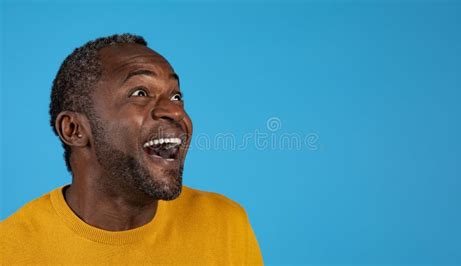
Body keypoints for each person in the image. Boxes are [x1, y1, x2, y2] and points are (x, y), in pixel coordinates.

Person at [0, 34, 264, 265]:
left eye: (176, 96)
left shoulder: (226, 225)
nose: (175, 111)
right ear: (74, 129)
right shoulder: (9, 250)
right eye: (140, 93)